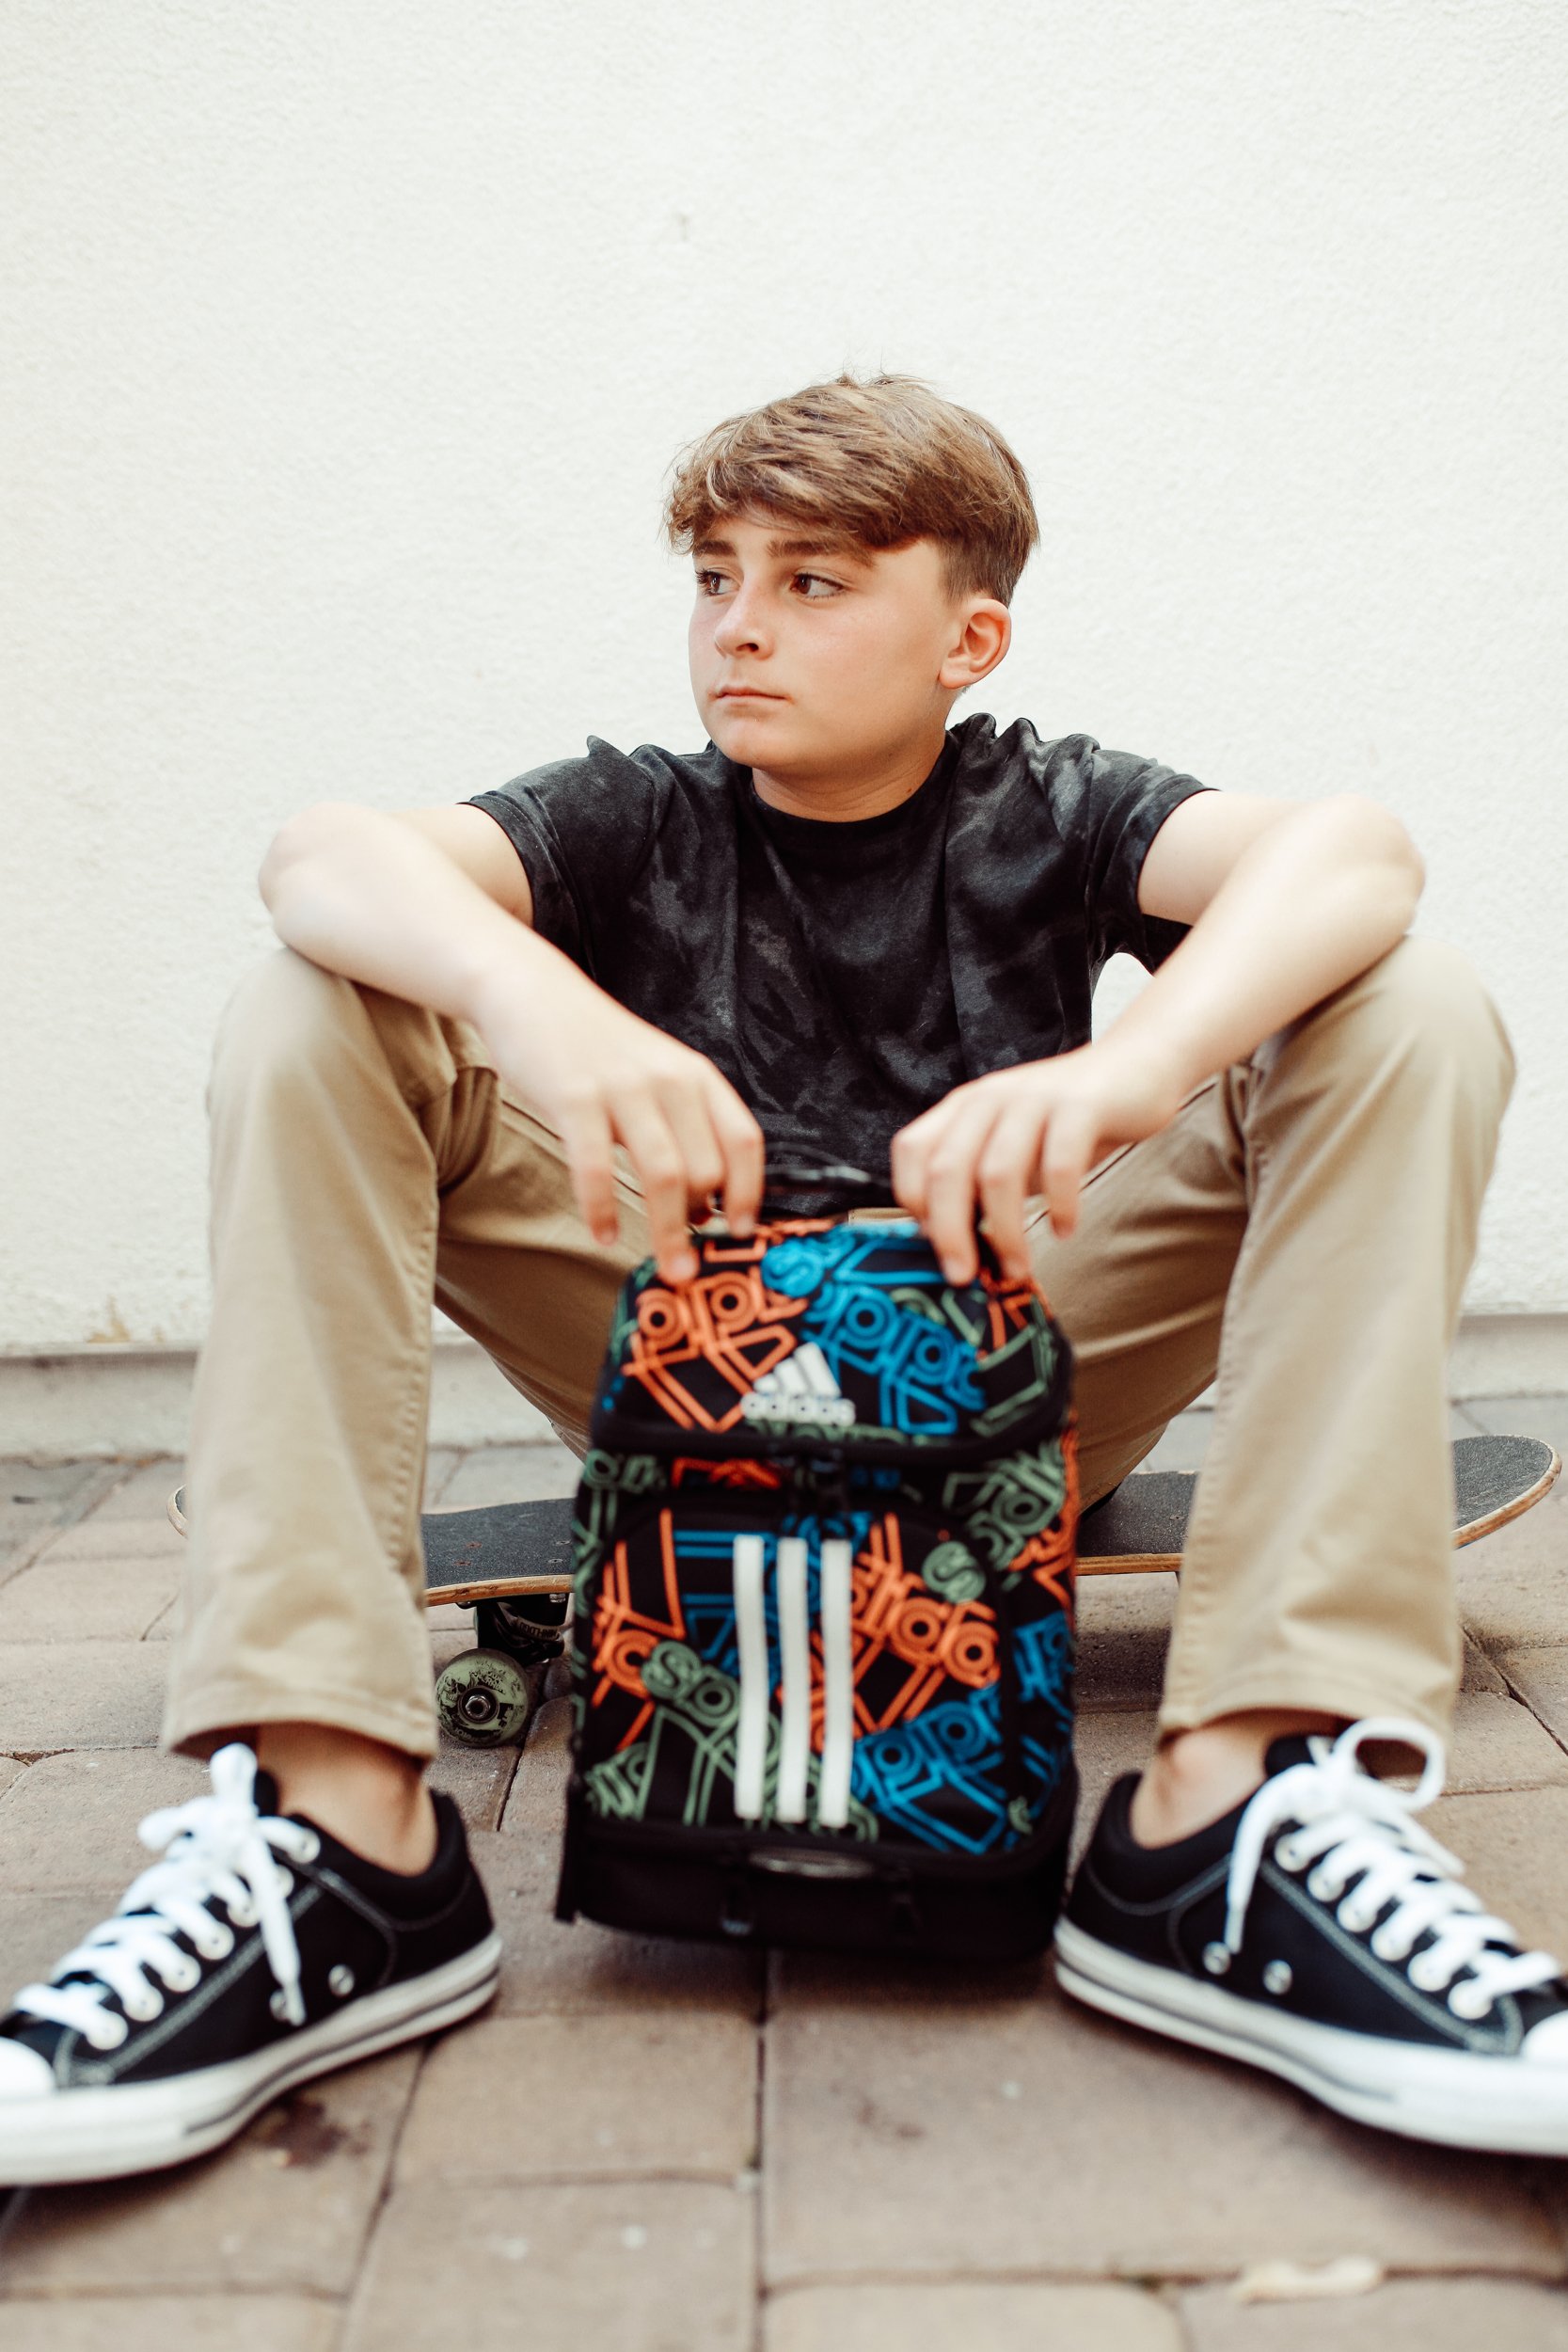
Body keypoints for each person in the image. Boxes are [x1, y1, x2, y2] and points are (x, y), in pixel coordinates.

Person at [4, 373, 1563, 2185]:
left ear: (965, 636)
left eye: (815, 583)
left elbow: (1355, 853)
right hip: (688, 1383)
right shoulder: (640, 819)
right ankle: (340, 1830)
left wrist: (1126, 1074)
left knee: (1408, 1001)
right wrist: (549, 1018)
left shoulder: (1052, 806)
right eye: (715, 575)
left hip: (1002, 1376)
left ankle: (1242, 1804)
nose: (741, 624)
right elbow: (317, 857)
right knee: (311, 1001)